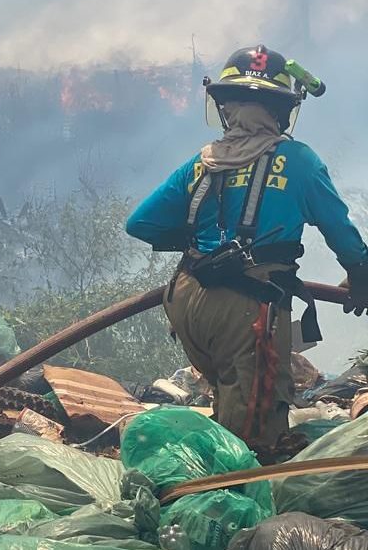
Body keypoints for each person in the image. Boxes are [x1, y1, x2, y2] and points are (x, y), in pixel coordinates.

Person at [126, 44, 368, 452]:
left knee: (229, 396)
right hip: (248, 309)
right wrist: (360, 277)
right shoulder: (299, 161)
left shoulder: (203, 163)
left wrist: (202, 240)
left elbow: (141, 224)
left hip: (185, 298)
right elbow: (343, 237)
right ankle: (239, 504)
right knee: (256, 431)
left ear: (226, 106)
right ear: (281, 110)